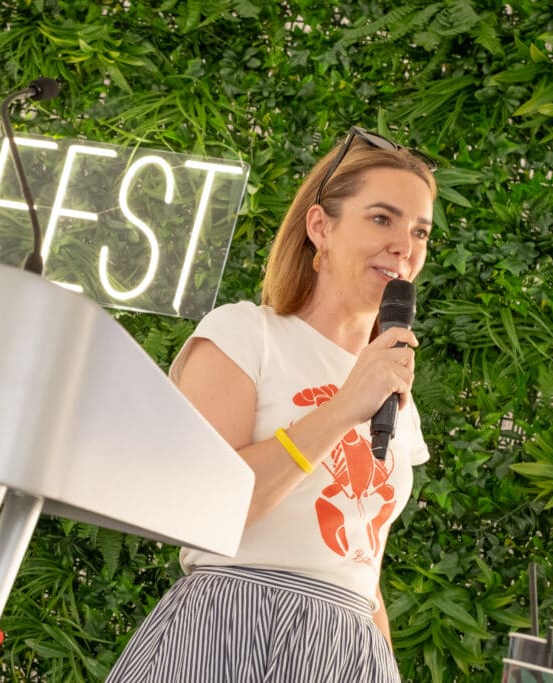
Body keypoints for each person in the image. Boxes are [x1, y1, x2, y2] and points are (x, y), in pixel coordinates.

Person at [106, 127, 438, 683]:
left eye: (420, 231)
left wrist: (383, 660)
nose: (404, 245)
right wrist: (341, 408)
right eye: (381, 219)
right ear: (320, 227)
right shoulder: (246, 335)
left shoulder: (394, 386)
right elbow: (205, 507)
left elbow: (360, 559)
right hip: (234, 626)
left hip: (348, 648)